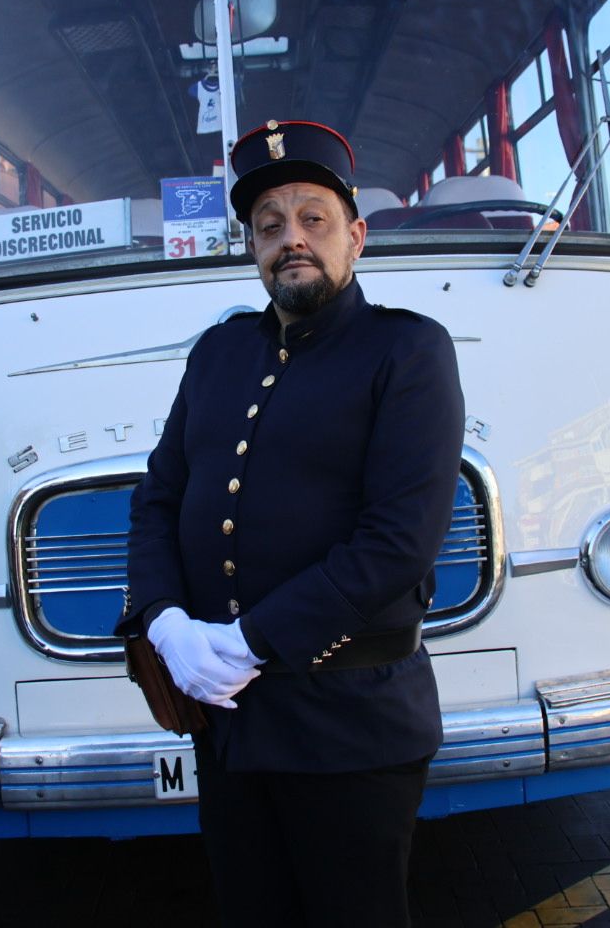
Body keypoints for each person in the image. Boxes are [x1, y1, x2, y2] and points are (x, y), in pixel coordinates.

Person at [117, 119, 465, 927]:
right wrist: (164, 623)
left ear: (357, 238)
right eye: (269, 226)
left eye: (314, 219)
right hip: (230, 724)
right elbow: (159, 496)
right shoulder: (219, 353)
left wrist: (245, 644)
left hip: (349, 721)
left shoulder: (406, 353)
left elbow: (398, 540)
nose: (291, 239)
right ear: (253, 249)